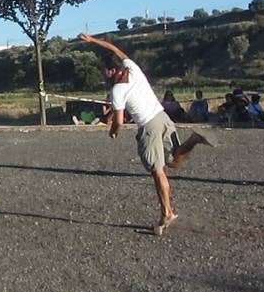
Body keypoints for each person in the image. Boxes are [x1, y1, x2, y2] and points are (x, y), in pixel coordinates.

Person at [79, 33, 217, 236]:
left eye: (104, 72)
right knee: (174, 162)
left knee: (157, 171)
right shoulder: (133, 68)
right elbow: (115, 49)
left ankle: (166, 214)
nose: (103, 76)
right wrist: (93, 41)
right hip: (163, 118)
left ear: (111, 71)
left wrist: (113, 132)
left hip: (148, 126)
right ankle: (194, 139)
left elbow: (118, 120)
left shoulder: (117, 90)